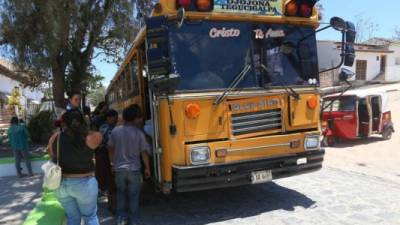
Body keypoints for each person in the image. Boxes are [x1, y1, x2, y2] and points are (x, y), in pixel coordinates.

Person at [48, 109, 102, 225]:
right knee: (90, 217)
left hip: (61, 184)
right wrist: (87, 124)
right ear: (83, 121)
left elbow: (51, 155)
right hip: (84, 184)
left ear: (64, 123)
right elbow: (99, 136)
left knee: (72, 218)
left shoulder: (55, 137)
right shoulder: (90, 137)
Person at [108, 105, 151, 225]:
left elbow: (110, 148)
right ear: (135, 118)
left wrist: (112, 164)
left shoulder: (115, 131)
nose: (141, 120)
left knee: (121, 194)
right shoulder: (139, 133)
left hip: (119, 170)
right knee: (134, 196)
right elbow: (144, 153)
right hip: (134, 171)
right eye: (139, 117)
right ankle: (134, 221)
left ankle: (121, 219)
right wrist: (147, 168)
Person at [96, 109, 119, 212]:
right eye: (115, 118)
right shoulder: (108, 129)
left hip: (104, 156)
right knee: (112, 182)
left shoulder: (103, 127)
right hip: (108, 157)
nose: (116, 119)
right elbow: (111, 146)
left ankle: (111, 203)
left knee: (110, 183)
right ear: (109, 118)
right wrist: (112, 163)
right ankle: (113, 205)